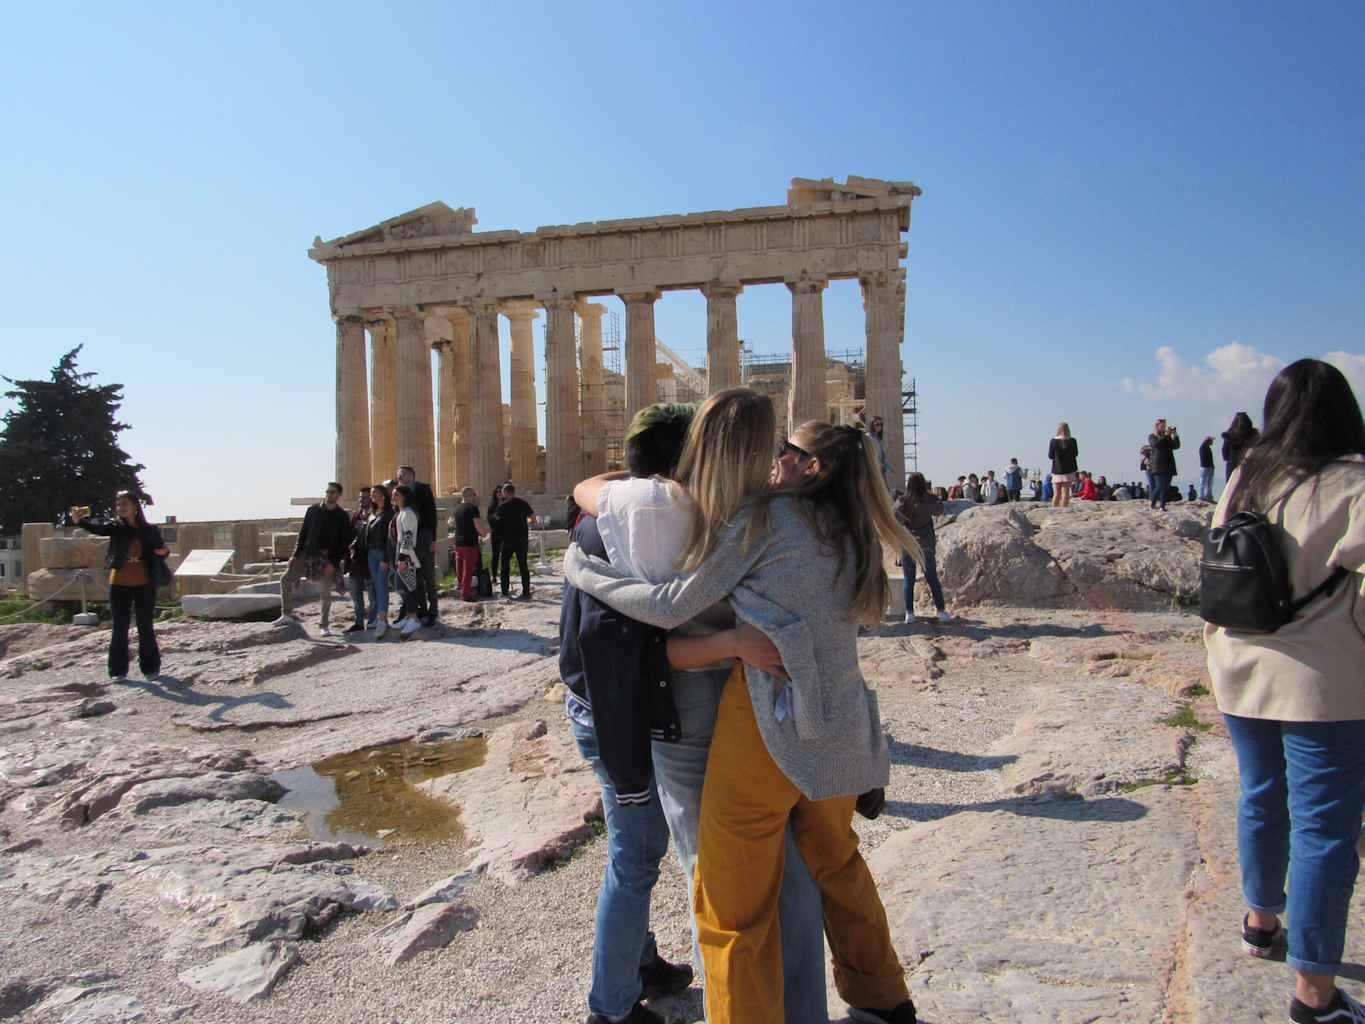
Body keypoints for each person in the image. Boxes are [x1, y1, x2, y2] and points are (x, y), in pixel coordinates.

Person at [566, 402, 923, 1024]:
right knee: (837, 869)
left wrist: (584, 572)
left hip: (777, 727)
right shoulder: (848, 522)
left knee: (731, 907)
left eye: (788, 447)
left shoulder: (766, 520)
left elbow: (675, 601)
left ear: (809, 465)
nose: (775, 458)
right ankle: (884, 1001)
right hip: (843, 727)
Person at [1204, 358, 1365, 1024]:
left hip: (1239, 666)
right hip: (1322, 681)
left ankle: (1258, 920)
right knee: (1325, 828)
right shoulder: (1355, 482)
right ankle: (1312, 995)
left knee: (1261, 795)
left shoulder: (1245, 477)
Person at [73, 491, 168, 682]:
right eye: (118, 504)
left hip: (144, 580)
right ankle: (117, 670)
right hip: (119, 581)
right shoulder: (115, 527)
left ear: (135, 506)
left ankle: (151, 668)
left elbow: (162, 550)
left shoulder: (150, 529)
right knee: (119, 627)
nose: (120, 507)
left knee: (145, 626)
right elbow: (98, 529)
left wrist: (164, 551)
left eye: (124, 504)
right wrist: (79, 521)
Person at [275, 482, 351, 635]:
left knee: (325, 593)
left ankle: (324, 625)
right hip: (307, 553)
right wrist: (295, 555)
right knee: (285, 579)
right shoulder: (313, 510)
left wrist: (334, 563)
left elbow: (343, 543)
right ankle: (286, 614)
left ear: (339, 495)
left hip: (327, 557)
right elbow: (303, 534)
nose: (329, 494)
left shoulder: (342, 516)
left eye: (333, 492)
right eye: (327, 491)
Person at [898, 471, 952, 625]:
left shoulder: (904, 501)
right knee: (932, 578)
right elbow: (940, 509)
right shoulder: (929, 500)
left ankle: (909, 614)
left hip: (908, 543)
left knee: (909, 579)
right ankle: (941, 611)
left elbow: (896, 519)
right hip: (926, 543)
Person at [397, 466, 439, 626]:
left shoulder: (423, 489)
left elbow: (431, 514)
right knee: (415, 577)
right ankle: (420, 610)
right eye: (398, 475)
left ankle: (433, 612)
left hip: (423, 537)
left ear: (412, 475)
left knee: (428, 577)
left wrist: (433, 539)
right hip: (409, 541)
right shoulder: (399, 493)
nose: (399, 477)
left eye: (402, 474)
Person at [390, 484, 425, 636]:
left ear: (404, 496)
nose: (393, 497)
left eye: (396, 495)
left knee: (409, 587)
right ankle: (408, 615)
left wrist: (403, 558)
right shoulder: (401, 513)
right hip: (401, 550)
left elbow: (408, 536)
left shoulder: (409, 514)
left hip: (407, 553)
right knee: (401, 587)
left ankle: (414, 619)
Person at [362, 484, 394, 638]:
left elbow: (391, 539)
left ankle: (382, 620)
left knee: (381, 585)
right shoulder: (373, 513)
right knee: (376, 585)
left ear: (383, 495)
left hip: (382, 554)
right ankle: (382, 618)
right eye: (372, 493)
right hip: (371, 554)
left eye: (376, 492)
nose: (373, 495)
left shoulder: (389, 513)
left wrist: (386, 558)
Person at [342, 487, 374, 634]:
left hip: (369, 561)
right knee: (356, 595)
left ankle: (373, 622)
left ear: (371, 499)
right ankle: (359, 622)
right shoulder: (356, 516)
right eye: (360, 498)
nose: (362, 500)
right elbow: (349, 536)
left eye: (365, 497)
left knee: (373, 595)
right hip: (355, 562)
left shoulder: (375, 516)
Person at [496, 483, 535, 600]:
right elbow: (533, 518)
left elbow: (498, 524)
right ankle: (526, 592)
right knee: (523, 566)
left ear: (506, 493)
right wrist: (525, 523)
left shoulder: (502, 507)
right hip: (522, 539)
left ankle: (504, 591)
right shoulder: (523, 504)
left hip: (507, 540)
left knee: (505, 567)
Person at [452, 487, 489, 601]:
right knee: (468, 569)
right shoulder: (472, 508)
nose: (475, 497)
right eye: (474, 494)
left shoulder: (457, 509)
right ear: (470, 495)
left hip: (458, 542)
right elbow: (477, 525)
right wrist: (484, 532)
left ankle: (461, 588)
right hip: (469, 542)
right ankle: (466, 594)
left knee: (460, 568)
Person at [1147, 419, 1181, 511]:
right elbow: (1157, 445)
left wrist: (1175, 435)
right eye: (1162, 426)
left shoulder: (1167, 437)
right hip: (1158, 465)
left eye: (1164, 426)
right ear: (1157, 426)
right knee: (1159, 486)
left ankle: (1160, 505)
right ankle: (1156, 503)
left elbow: (1176, 446)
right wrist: (1166, 435)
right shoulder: (1152, 436)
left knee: (1166, 487)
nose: (1164, 428)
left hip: (1169, 465)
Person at [1222, 411, 1259, 482]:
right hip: (1251, 471)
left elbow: (1225, 455)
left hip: (1232, 470)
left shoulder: (1229, 436)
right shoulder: (1254, 436)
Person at [1048, 422, 1079, 507]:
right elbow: (1075, 454)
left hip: (1057, 470)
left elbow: (1050, 456)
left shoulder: (1053, 441)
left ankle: (1054, 510)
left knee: (1057, 493)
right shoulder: (1072, 440)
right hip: (1069, 470)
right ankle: (1064, 510)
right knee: (1065, 492)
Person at [487, 483, 506, 587]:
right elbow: (489, 518)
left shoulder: (505, 503)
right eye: (497, 492)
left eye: (500, 492)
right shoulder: (492, 505)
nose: (499, 494)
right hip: (495, 533)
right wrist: (495, 518)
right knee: (495, 555)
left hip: (505, 533)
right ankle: (494, 576)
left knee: (504, 555)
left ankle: (504, 576)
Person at [1199, 435, 1217, 501]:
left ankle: (1208, 496)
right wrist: (1210, 466)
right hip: (1206, 467)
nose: (1212, 442)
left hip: (1207, 467)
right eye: (1211, 441)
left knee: (1209, 483)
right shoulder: (1203, 447)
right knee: (1204, 483)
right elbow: (1205, 459)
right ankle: (1202, 496)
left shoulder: (1205, 447)